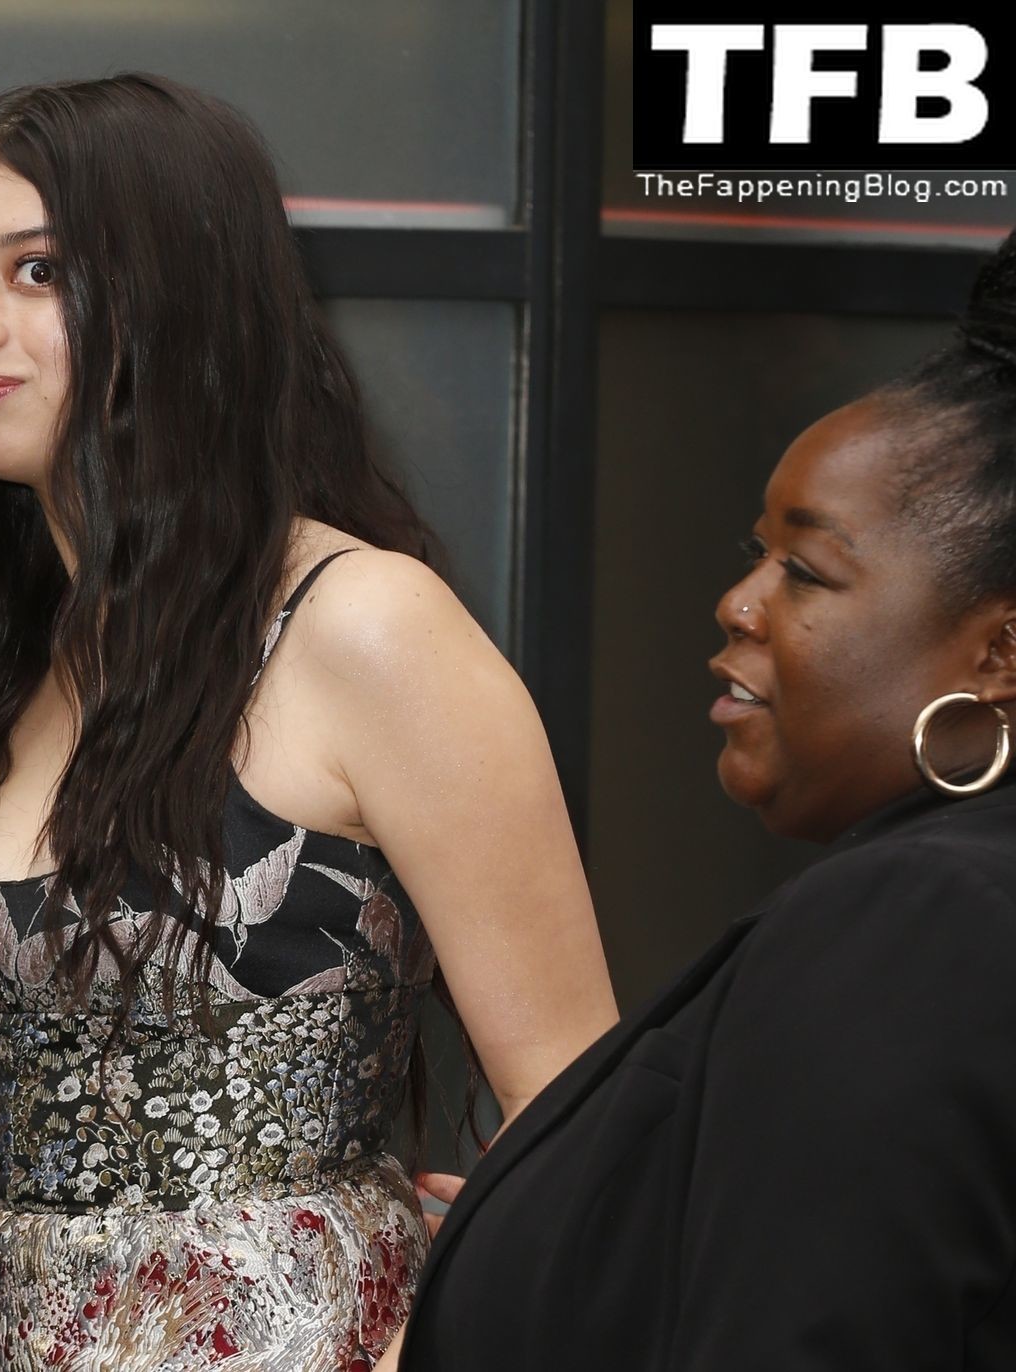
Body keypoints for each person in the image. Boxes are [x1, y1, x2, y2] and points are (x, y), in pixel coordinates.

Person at [0, 74, 617, 1369]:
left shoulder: (360, 622)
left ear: (174, 293)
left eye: (38, 272)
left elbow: (586, 1110)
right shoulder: (19, 655)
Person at [399, 231, 1016, 1370]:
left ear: (1000, 653)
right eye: (757, 554)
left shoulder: (922, 920)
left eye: (807, 571)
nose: (738, 603)